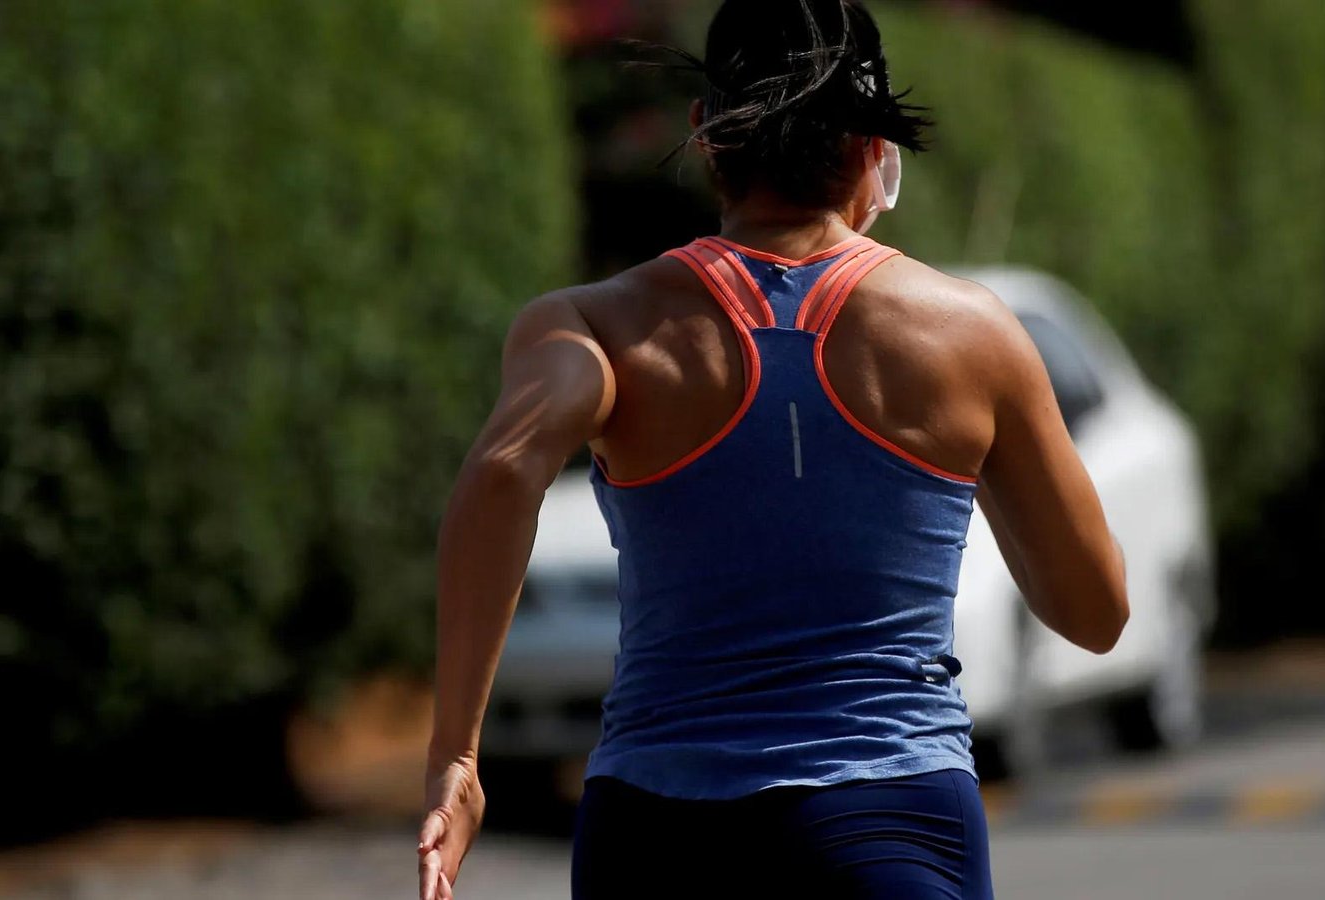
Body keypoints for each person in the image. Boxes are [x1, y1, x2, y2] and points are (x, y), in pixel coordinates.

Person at [417, 1, 1128, 897]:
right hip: (888, 817)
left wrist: (457, 754)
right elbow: (1094, 614)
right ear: (874, 150)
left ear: (707, 135)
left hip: (657, 829)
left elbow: (504, 467)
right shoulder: (972, 335)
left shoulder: (595, 324)